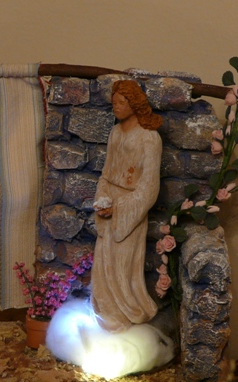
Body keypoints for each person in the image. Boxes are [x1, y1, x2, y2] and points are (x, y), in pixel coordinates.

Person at [91, 80, 163, 333]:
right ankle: (105, 315)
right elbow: (106, 172)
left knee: (122, 266)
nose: (116, 107)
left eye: (121, 102)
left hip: (130, 208)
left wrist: (120, 208)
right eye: (114, 103)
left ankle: (126, 316)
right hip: (109, 202)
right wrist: (102, 198)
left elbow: (149, 186)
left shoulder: (149, 138)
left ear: (134, 104)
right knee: (103, 265)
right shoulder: (115, 133)